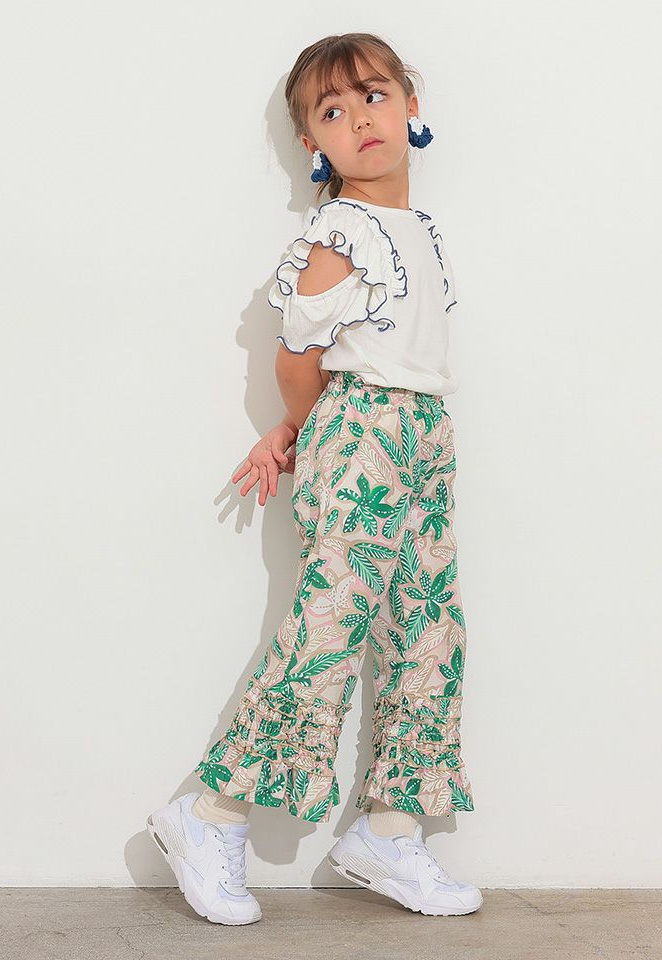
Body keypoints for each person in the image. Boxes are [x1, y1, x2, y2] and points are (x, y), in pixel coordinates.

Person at [146, 32, 482, 925]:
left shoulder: (420, 230)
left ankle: (390, 830)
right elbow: (300, 357)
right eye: (333, 111)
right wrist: (302, 429)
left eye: (374, 95)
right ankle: (210, 813)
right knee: (328, 629)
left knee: (431, 631)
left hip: (425, 434)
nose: (359, 118)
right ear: (313, 144)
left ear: (411, 106)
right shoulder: (341, 232)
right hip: (363, 430)